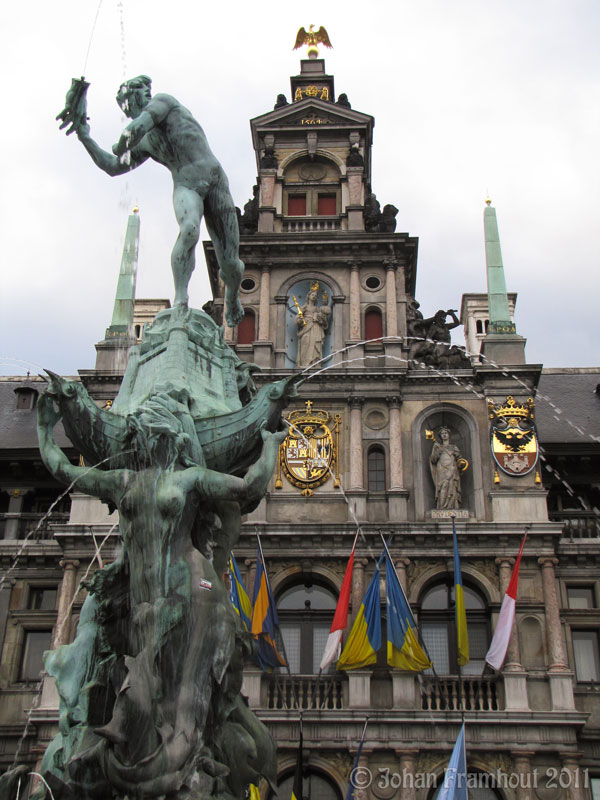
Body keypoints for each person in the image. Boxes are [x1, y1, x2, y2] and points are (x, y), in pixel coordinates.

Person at [36, 391, 284, 796]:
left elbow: (250, 486)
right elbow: (62, 469)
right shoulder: (123, 480)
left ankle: (190, 761)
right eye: (144, 430)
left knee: (185, 695)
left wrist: (270, 445)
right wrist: (45, 427)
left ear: (174, 435)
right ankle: (134, 758)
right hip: (143, 593)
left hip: (194, 588)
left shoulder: (188, 478)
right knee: (137, 681)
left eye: (156, 429)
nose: (149, 435)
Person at [58, 75, 244, 327]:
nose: (145, 97)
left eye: (145, 92)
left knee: (231, 265)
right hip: (186, 185)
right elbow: (113, 167)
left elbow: (134, 130)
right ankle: (181, 299)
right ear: (127, 104)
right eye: (138, 95)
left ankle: (232, 297)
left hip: (214, 179)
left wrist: (120, 143)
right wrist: (84, 136)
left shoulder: (162, 102)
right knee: (189, 229)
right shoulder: (145, 142)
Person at [296, 285, 331, 368]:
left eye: (315, 296)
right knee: (306, 342)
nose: (314, 296)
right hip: (306, 328)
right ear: (308, 296)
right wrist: (300, 320)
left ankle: (315, 363)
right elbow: (297, 318)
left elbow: (324, 321)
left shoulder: (318, 309)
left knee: (316, 344)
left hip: (316, 327)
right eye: (312, 295)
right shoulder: (304, 307)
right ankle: (304, 363)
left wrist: (320, 318)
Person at [429, 426, 464, 509]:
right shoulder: (438, 447)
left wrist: (461, 463)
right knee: (443, 486)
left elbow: (459, 459)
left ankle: (453, 506)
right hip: (441, 469)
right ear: (440, 436)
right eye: (442, 434)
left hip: (452, 468)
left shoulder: (454, 447)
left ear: (449, 435)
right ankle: (442, 506)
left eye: (445, 433)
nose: (444, 435)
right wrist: (435, 450)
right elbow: (433, 460)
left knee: (452, 485)